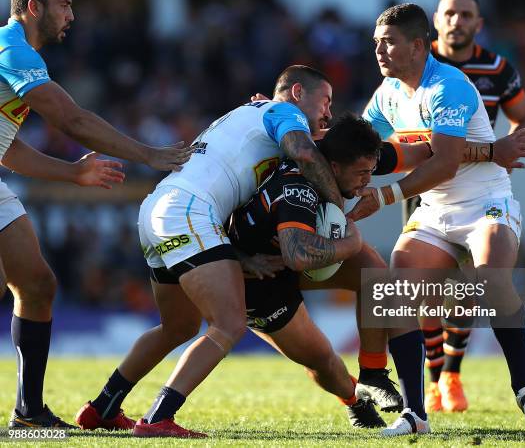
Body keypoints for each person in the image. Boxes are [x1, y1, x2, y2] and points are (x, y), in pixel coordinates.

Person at [76, 65, 346, 438]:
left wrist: (239, 257)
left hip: (157, 208)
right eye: (326, 101)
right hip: (188, 210)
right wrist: (338, 211)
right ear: (298, 92)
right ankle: (157, 418)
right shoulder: (284, 112)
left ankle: (103, 408)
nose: (328, 113)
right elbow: (304, 153)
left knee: (180, 326)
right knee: (230, 324)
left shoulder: (252, 113)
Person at [349, 3, 525, 435]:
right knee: (395, 290)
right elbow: (357, 142)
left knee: (490, 280)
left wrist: (384, 195)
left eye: (388, 42)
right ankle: (414, 413)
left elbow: (443, 163)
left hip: (486, 203)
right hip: (435, 211)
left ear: (419, 46)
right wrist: (295, 122)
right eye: (375, 43)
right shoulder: (388, 90)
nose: (379, 51)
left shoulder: (448, 85)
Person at [3, 0, 192, 428]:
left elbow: (8, 147)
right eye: (65, 5)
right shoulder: (13, 51)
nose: (71, 15)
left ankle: (29, 416)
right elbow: (72, 120)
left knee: (36, 285)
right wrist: (148, 154)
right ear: (34, 6)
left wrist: (74, 173)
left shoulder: (22, 57)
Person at [408, 0, 525, 413]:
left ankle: (452, 374)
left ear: (478, 24)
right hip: (430, 189)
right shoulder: (416, 68)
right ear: (435, 21)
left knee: (471, 287)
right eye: (449, 13)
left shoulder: (498, 70)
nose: (456, 21)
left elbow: (523, 116)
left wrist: (510, 152)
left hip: (480, 192)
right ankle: (432, 377)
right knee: (424, 289)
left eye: (466, 14)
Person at [229, 113, 384, 429]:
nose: (367, 180)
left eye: (372, 171)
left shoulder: (336, 151)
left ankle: (374, 373)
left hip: (284, 257)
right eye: (362, 173)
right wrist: (350, 245)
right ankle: (356, 402)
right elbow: (298, 254)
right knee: (322, 360)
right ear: (335, 168)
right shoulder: (300, 188)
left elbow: (414, 153)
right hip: (259, 280)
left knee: (377, 276)